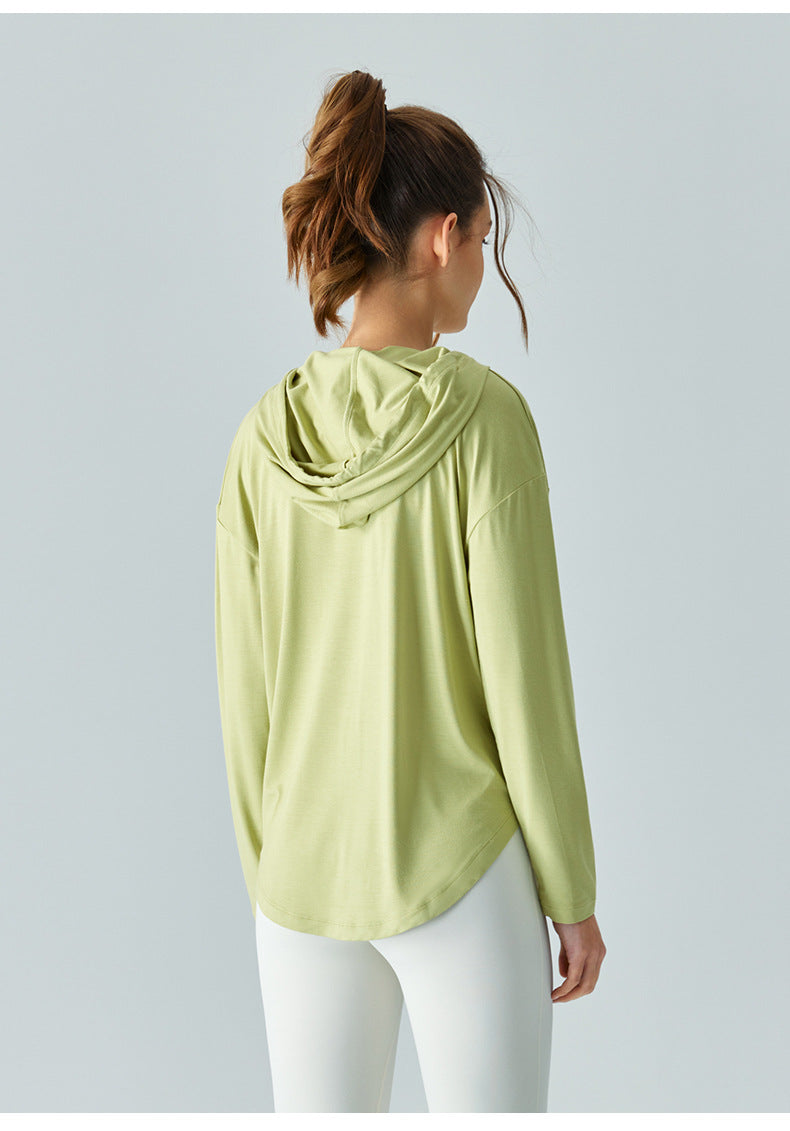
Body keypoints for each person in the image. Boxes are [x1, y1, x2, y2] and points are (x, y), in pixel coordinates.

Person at [214, 68, 606, 1114]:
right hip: (458, 869)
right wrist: (570, 891)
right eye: (481, 239)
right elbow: (526, 684)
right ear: (441, 238)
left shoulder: (261, 440)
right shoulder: (483, 419)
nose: (481, 264)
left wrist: (272, 870)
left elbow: (245, 698)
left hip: (299, 884)